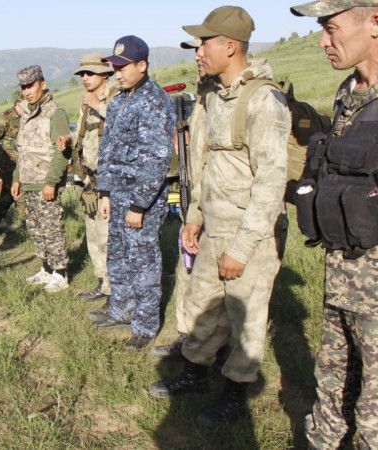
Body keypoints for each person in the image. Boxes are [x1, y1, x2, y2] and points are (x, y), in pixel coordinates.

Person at [149, 6, 291, 428]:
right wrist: (194, 216)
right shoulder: (212, 96)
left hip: (251, 232)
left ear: (230, 47)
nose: (197, 51)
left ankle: (236, 395)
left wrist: (243, 248)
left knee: (244, 317)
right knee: (204, 305)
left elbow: (271, 182)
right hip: (213, 224)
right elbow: (205, 164)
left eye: (204, 43)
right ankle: (195, 374)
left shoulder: (264, 100)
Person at [291, 2, 378, 447]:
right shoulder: (349, 92)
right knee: (333, 380)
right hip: (343, 272)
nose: (324, 42)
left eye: (331, 29)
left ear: (375, 22)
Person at [91, 36, 176, 350]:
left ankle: (145, 325)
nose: (118, 73)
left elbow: (157, 158)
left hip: (142, 199)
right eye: (115, 68)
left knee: (143, 262)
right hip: (117, 193)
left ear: (143, 65)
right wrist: (105, 192)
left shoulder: (154, 101)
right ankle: (121, 309)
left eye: (123, 68)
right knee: (118, 257)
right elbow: (107, 149)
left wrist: (139, 205)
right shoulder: (119, 99)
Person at [150, 39, 219, 359]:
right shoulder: (204, 98)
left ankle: (215, 351)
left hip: (225, 209)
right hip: (197, 201)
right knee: (188, 272)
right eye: (195, 49)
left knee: (218, 287)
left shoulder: (241, 98)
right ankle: (187, 337)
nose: (197, 55)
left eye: (203, 47)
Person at [56, 54, 119, 302]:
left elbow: (123, 125)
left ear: (104, 74)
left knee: (108, 236)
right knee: (93, 234)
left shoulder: (114, 96)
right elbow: (84, 133)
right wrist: (68, 140)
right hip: (90, 178)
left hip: (109, 178)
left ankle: (114, 289)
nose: (84, 78)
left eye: (89, 73)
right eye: (82, 74)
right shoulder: (87, 101)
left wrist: (98, 106)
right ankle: (102, 282)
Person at [10, 65, 73, 293]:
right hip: (28, 182)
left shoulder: (55, 113)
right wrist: (17, 178)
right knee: (36, 229)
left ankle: (61, 273)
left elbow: (61, 152)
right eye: (24, 87)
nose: (27, 91)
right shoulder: (27, 115)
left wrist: (52, 182)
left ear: (42, 84)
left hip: (45, 183)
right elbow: (23, 150)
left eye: (31, 85)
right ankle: (46, 268)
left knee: (52, 228)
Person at [0, 100, 24, 235]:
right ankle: (32, 225)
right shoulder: (5, 117)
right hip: (6, 162)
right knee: (19, 191)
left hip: (21, 162)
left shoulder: (26, 116)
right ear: (18, 103)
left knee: (8, 194)